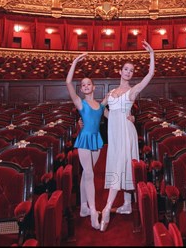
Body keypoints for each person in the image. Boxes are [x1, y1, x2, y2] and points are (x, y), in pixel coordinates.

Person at [99, 40, 155, 232]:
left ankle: (106, 208)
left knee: (122, 164)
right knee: (119, 163)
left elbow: (150, 75)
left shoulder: (133, 91)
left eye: (131, 70)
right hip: (114, 131)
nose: (128, 72)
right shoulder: (112, 92)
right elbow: (100, 110)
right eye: (126, 69)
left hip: (126, 131)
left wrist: (152, 55)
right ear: (120, 71)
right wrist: (112, 116)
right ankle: (126, 204)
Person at [66, 53, 104, 230]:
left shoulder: (101, 105)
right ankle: (93, 211)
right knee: (89, 174)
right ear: (81, 89)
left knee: (87, 174)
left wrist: (129, 118)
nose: (86, 86)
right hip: (84, 140)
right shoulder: (80, 104)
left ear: (94, 87)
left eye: (89, 84)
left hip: (96, 140)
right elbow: (68, 83)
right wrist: (75, 62)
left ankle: (83, 208)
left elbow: (114, 117)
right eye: (83, 85)